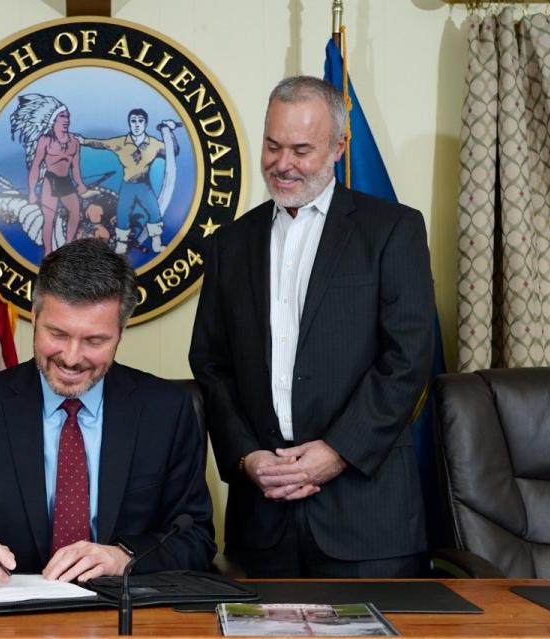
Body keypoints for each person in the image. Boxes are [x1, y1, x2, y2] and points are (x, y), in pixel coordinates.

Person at [189, 76, 435, 578]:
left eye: (301, 149)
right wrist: (246, 457)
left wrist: (338, 452)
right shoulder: (230, 244)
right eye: (274, 146)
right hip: (261, 519)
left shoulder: (392, 230)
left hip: (368, 521)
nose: (283, 164)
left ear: (339, 147)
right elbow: (211, 363)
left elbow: (408, 358)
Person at [0, 238, 215, 587]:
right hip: (7, 620)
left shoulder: (167, 410)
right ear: (35, 315)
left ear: (120, 332)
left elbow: (195, 537)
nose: (72, 358)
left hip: (121, 617)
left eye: (94, 341)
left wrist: (124, 557)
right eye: (57, 333)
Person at [81, 109, 180, 255]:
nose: (137, 124)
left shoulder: (153, 144)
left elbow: (174, 151)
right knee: (122, 215)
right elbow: (100, 143)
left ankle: (156, 244)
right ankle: (121, 245)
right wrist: (82, 141)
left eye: (140, 121)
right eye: (133, 121)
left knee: (154, 213)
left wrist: (170, 132)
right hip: (128, 186)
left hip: (144, 186)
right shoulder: (121, 142)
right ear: (129, 123)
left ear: (145, 123)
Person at [26, 102, 88, 255]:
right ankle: (48, 253)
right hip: (50, 181)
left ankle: (68, 248)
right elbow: (35, 166)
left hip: (66, 181)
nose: (66, 119)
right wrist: (32, 192)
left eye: (67, 116)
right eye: (62, 116)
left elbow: (75, 167)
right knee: (49, 218)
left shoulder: (74, 142)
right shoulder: (45, 140)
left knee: (75, 213)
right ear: (54, 119)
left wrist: (80, 183)